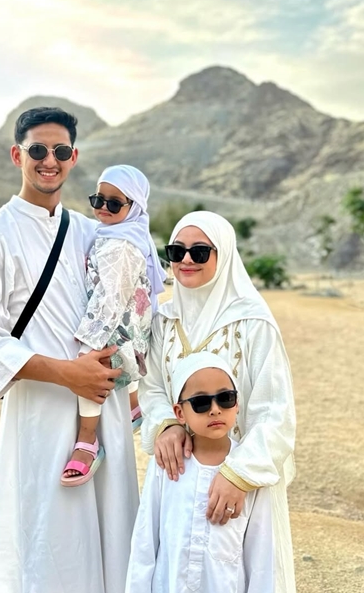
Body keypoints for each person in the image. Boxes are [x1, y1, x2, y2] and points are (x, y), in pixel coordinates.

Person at [0, 107, 137, 592]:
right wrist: (66, 373)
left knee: (114, 528)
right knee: (52, 537)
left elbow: (125, 295)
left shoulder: (89, 231)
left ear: (74, 157)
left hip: (103, 405)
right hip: (41, 409)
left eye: (60, 151)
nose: (49, 161)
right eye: (38, 150)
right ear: (18, 155)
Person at [138, 211, 297, 592]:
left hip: (242, 486)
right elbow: (152, 386)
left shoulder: (253, 322)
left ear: (222, 254)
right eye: (177, 251)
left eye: (199, 251)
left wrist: (238, 474)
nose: (187, 260)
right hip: (179, 475)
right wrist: (167, 424)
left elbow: (275, 410)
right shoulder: (163, 318)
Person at [127, 352, 273, 593]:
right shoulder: (166, 465)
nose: (215, 410)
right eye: (201, 403)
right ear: (179, 412)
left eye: (225, 398)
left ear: (237, 404)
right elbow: (145, 541)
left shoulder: (249, 472)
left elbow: (261, 556)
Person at [63, 165, 167, 486]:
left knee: (90, 366)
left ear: (133, 206)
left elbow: (109, 299)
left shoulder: (123, 245)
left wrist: (89, 343)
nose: (103, 209)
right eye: (98, 199)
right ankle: (135, 406)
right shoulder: (117, 233)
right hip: (127, 329)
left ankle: (88, 440)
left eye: (114, 203)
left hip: (113, 327)